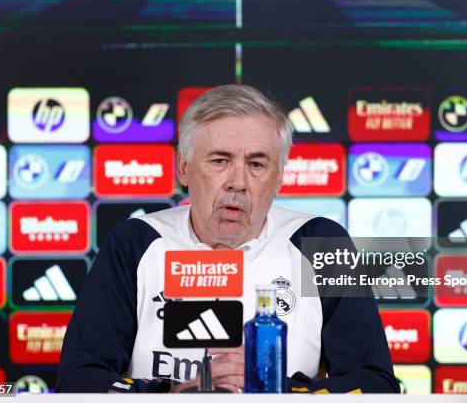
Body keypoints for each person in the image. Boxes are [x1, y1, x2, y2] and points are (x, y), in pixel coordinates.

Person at [56, 84, 399, 394]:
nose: (238, 182)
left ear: (279, 177)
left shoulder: (321, 241)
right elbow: (78, 380)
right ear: (184, 168)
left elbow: (375, 383)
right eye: (220, 161)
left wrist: (272, 390)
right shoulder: (135, 242)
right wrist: (178, 394)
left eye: (257, 164)